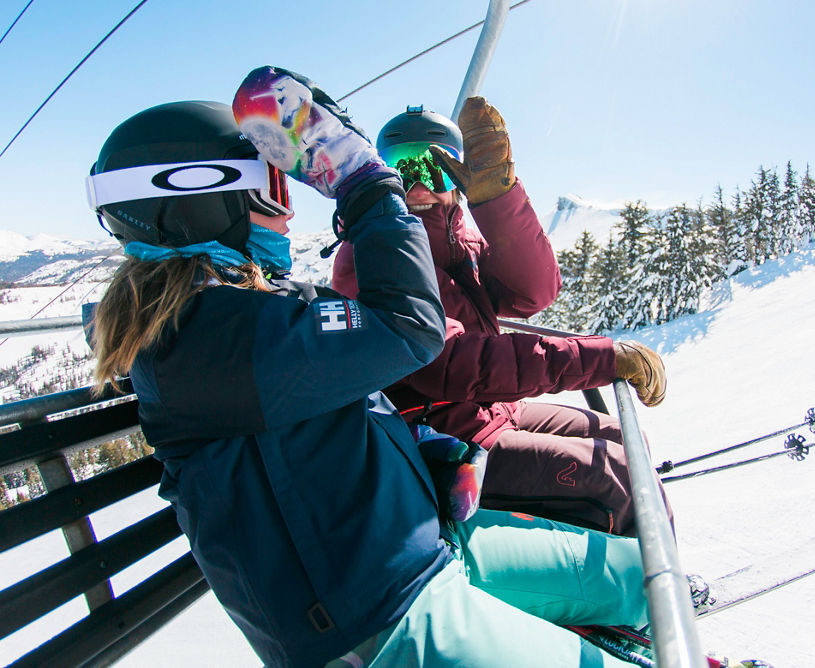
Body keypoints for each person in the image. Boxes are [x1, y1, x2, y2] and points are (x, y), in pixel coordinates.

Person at [85, 67, 657, 668]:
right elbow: (409, 332)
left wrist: (417, 457)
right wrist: (364, 185)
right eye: (271, 192)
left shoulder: (240, 313)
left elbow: (333, 406)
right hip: (379, 622)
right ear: (196, 201)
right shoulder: (202, 341)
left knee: (641, 575)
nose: (286, 216)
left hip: (422, 549)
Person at [331, 99, 669, 537]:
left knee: (622, 436)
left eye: (433, 167)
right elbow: (448, 362)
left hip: (488, 411)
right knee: (612, 475)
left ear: (457, 176)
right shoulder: (372, 252)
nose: (418, 183)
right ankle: (647, 596)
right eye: (403, 168)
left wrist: (497, 199)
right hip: (434, 436)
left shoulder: (460, 242)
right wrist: (600, 360)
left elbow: (533, 291)